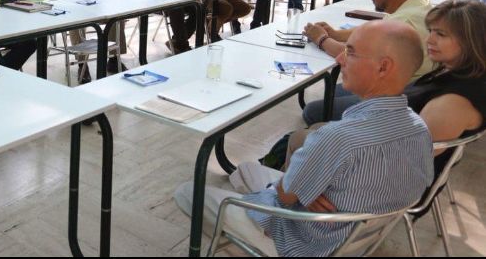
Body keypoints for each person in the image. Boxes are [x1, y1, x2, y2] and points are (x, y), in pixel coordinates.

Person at [174, 20, 433, 257]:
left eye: (351, 52)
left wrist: (298, 190)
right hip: (359, 235)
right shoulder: (420, 130)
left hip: (308, 241)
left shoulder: (337, 138)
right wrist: (311, 189)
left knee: (187, 193)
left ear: (383, 67)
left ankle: (248, 241)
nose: (340, 58)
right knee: (245, 170)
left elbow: (286, 196)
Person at [291, 0, 486, 176]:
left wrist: (329, 179)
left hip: (373, 181)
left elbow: (403, 167)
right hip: (380, 138)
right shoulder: (458, 72)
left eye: (441, 34)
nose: (429, 40)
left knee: (300, 140)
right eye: (431, 31)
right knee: (312, 135)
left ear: (471, 41)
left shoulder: (452, 104)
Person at [303, 0, 436, 124]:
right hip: (414, 86)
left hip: (396, 98)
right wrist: (335, 34)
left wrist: (321, 39)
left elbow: (354, 58)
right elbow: (374, 32)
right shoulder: (418, 5)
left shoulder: (402, 22)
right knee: (332, 91)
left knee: (312, 111)